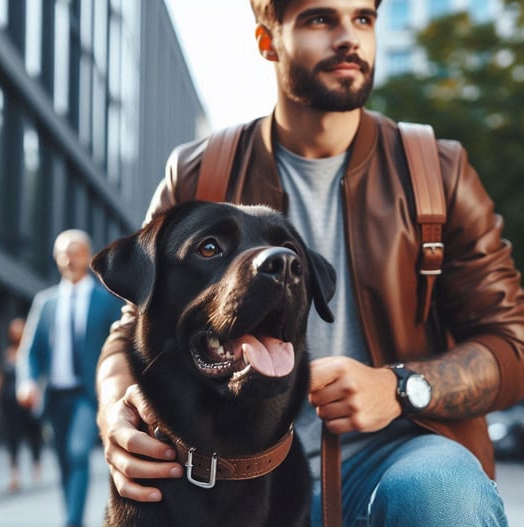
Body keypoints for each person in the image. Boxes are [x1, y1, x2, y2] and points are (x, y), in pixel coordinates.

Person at [95, 1, 524, 525]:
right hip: (226, 467)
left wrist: (398, 386)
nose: (349, 38)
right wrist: (118, 409)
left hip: (395, 455)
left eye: (362, 18)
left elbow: (512, 341)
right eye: (321, 19)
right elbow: (133, 321)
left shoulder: (438, 169)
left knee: (443, 489)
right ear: (267, 41)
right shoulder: (198, 170)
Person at [16, 229, 123, 527]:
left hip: (88, 395)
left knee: (78, 453)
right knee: (63, 460)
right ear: (55, 258)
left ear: (88, 256)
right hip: (55, 396)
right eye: (63, 252)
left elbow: (121, 345)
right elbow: (31, 351)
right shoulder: (45, 303)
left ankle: (72, 522)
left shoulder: (106, 302)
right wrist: (28, 381)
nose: (68, 258)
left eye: (75, 251)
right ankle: (72, 517)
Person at [0, 317, 43, 492]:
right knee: (12, 438)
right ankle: (14, 474)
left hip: (27, 403)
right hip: (9, 403)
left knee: (33, 434)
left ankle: (36, 464)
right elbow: (0, 378)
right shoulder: (6, 354)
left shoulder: (30, 353)